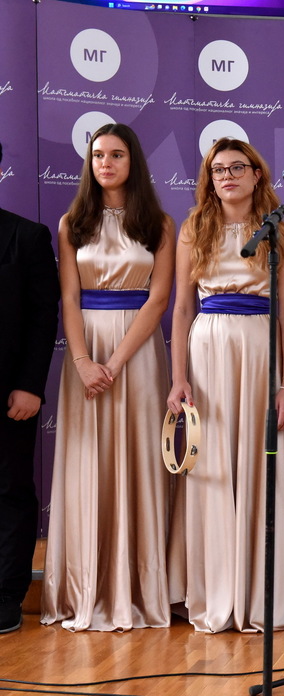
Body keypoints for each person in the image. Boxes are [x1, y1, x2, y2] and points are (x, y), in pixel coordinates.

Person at [41, 124, 175, 632]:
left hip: (136, 353)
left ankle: (137, 590)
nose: (106, 163)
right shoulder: (71, 222)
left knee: (138, 461)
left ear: (132, 161)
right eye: (98, 155)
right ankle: (86, 590)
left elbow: (158, 300)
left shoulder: (160, 224)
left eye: (116, 154)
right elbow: (68, 298)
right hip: (85, 351)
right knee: (87, 464)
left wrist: (114, 364)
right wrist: (81, 362)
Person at [166, 137, 284, 633]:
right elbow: (182, 308)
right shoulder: (192, 230)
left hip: (260, 349)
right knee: (212, 464)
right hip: (207, 351)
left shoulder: (281, 233)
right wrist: (178, 377)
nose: (227, 176)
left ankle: (259, 593)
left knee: (259, 462)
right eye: (218, 169)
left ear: (256, 174)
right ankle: (214, 589)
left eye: (236, 167)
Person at [0, 142, 60, 634]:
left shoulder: (27, 236)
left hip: (9, 395)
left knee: (10, 493)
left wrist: (29, 386)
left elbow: (43, 320)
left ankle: (6, 596)